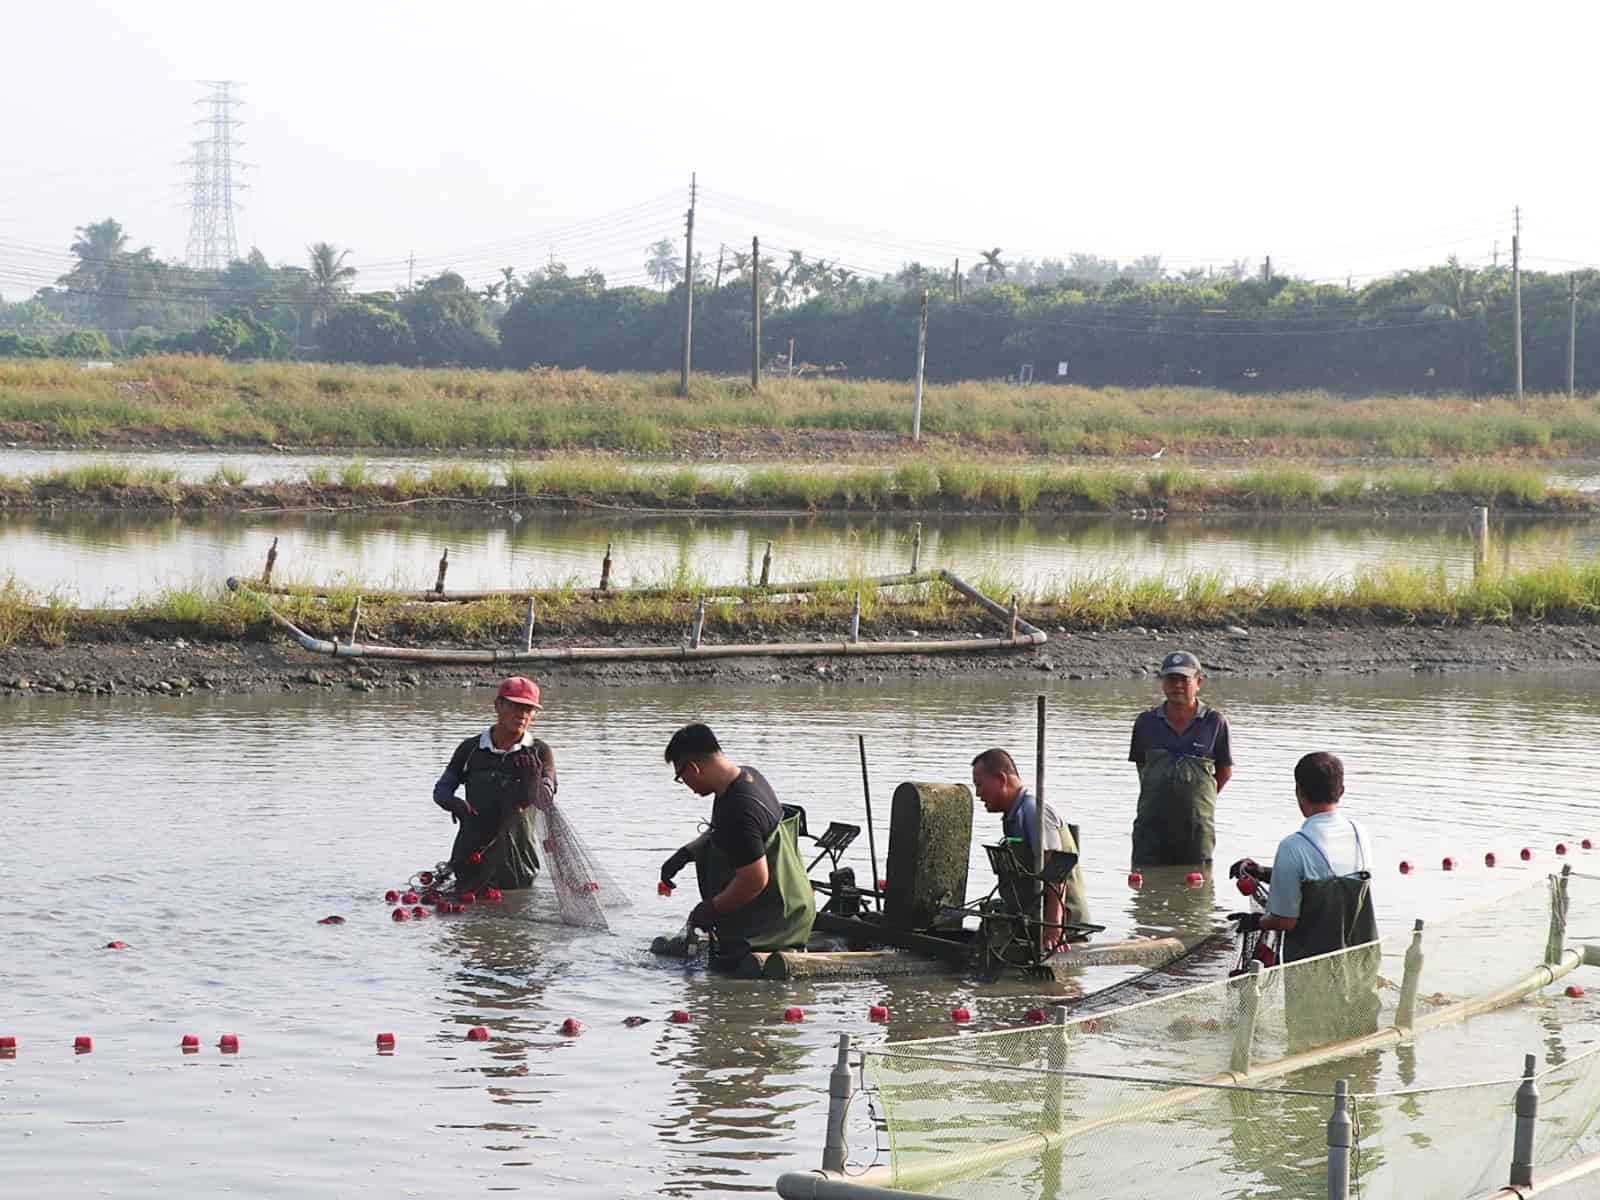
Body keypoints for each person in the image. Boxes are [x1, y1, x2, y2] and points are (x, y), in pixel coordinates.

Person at [1230, 752, 1379, 1047]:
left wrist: (1253, 921)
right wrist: (1262, 872)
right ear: (1342, 790)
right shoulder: (1359, 833)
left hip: (1313, 974)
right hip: (1359, 966)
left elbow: (1286, 919)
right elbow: (1324, 877)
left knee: (1307, 1048)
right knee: (1359, 1045)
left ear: (1299, 792)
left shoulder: (1293, 846)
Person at [659, 722, 815, 966]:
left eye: (681, 776)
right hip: (796, 907)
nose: (685, 785)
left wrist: (711, 909)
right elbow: (725, 835)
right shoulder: (745, 776)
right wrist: (684, 855)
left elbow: (755, 879)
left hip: (776, 923)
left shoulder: (739, 808)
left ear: (693, 768)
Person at [432, 676, 556, 894]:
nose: (522, 715)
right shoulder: (470, 749)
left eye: (529, 709)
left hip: (518, 858)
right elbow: (441, 789)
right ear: (498, 706)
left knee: (516, 905)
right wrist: (452, 803)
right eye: (515, 706)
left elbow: (547, 793)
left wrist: (533, 782)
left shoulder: (539, 751)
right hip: (471, 852)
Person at [971, 748, 1090, 949]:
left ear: (1001, 779)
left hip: (1065, 925)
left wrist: (1053, 928)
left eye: (980, 785)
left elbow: (1056, 871)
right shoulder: (1013, 815)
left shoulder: (1034, 812)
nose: (978, 793)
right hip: (1030, 917)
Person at [1128, 650, 1233, 867]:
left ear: (1198, 682)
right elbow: (1142, 769)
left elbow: (1224, 771)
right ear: (1162, 682)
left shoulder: (1214, 722)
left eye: (1183, 680)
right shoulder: (1145, 722)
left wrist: (1198, 800)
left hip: (1197, 830)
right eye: (1171, 679)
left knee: (1198, 891)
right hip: (1151, 827)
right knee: (1145, 889)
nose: (1177, 686)